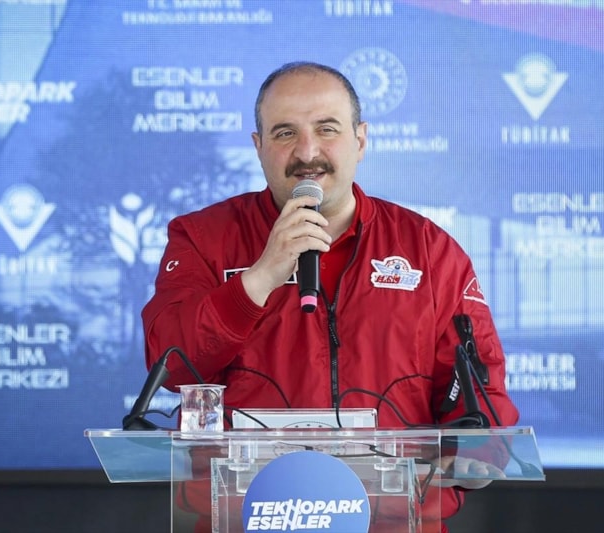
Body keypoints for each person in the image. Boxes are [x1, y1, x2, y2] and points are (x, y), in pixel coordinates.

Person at [141, 61, 519, 532]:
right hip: (247, 518)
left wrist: (476, 453)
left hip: (392, 521)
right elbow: (172, 365)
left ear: (360, 139)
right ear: (258, 147)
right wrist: (259, 278)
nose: (307, 152)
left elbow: (480, 392)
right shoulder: (203, 238)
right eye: (284, 133)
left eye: (327, 129)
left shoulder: (429, 249)